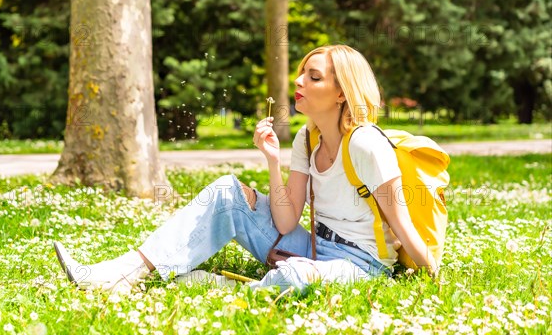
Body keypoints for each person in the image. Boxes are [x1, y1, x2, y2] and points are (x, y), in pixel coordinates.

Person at [54, 44, 437, 294]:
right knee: (226, 191)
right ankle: (121, 274)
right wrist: (272, 161)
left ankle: (221, 285)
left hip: (361, 265)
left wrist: (432, 275)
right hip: (315, 248)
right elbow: (286, 225)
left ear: (342, 93)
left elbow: (402, 225)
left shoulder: (367, 144)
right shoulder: (308, 137)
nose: (299, 81)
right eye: (302, 72)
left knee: (297, 276)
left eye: (313, 77)